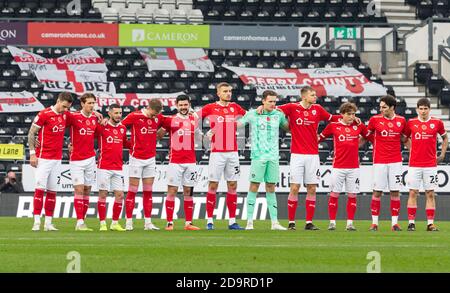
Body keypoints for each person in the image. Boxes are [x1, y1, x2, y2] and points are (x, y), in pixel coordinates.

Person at [275, 86, 341, 230]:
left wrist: (348, 117)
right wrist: (262, 109)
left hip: (312, 155)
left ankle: (308, 222)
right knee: (295, 187)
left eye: (315, 94)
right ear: (304, 96)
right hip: (297, 155)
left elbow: (331, 118)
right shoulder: (292, 107)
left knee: (312, 188)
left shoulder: (317, 109)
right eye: (312, 95)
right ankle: (291, 222)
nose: (315, 96)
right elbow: (276, 109)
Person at [198, 82, 246, 230]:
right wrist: (201, 134)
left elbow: (249, 117)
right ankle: (210, 221)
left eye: (230, 91)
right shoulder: (210, 107)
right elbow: (193, 118)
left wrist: (241, 123)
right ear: (218, 93)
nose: (228, 93)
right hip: (217, 152)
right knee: (213, 185)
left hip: (232, 152)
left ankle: (232, 221)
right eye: (225, 91)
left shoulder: (235, 107)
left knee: (232, 185)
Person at [237, 90, 288, 230]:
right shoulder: (253, 114)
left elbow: (289, 128)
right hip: (258, 157)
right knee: (254, 186)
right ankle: (249, 222)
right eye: (270, 101)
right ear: (263, 101)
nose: (273, 104)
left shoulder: (278, 115)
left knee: (271, 187)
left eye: (274, 101)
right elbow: (238, 124)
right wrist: (218, 128)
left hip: (273, 157)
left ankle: (274, 223)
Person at [319, 102, 369, 231]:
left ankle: (350, 223)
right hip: (338, 166)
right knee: (334, 194)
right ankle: (332, 222)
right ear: (342, 114)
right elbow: (319, 139)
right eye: (349, 114)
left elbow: (370, 137)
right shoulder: (333, 126)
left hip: (354, 167)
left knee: (352, 195)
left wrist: (361, 128)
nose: (351, 116)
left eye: (353, 114)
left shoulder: (358, 126)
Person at [28, 92, 73, 231]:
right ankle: (36, 222)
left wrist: (95, 113)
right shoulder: (44, 114)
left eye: (67, 108)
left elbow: (81, 117)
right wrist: (32, 154)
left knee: (53, 191)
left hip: (57, 159)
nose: (65, 110)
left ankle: (48, 223)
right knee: (40, 189)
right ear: (58, 101)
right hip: (43, 158)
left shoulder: (65, 115)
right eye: (64, 106)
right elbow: (31, 133)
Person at [403, 98, 448, 231]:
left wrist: (442, 154)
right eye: (421, 109)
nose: (423, 111)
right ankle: (411, 223)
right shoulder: (411, 122)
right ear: (417, 109)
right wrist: (412, 149)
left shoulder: (436, 122)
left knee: (430, 193)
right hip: (414, 164)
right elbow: (404, 138)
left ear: (429, 109)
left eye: (425, 109)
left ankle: (430, 223)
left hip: (430, 165)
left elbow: (445, 137)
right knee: (413, 192)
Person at [158, 95, 202, 231]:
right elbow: (159, 135)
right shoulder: (171, 120)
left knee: (188, 191)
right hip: (175, 161)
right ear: (176, 105)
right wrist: (162, 128)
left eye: (186, 105)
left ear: (189, 105)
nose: (183, 107)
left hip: (190, 161)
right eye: (181, 105)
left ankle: (188, 223)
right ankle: (169, 223)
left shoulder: (194, 119)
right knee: (172, 191)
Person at [365, 95, 409, 231]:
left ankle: (394, 224)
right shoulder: (374, 120)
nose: (381, 109)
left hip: (396, 161)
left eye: (384, 107)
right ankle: (374, 224)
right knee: (377, 191)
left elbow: (405, 139)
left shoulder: (401, 120)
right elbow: (365, 135)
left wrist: (414, 151)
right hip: (379, 161)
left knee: (395, 192)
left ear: (392, 107)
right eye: (380, 107)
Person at [121, 99, 164, 231]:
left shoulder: (158, 117)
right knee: (132, 191)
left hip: (150, 159)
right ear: (149, 108)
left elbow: (171, 122)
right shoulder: (135, 116)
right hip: (136, 159)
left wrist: (162, 131)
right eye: (153, 114)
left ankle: (148, 223)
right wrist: (128, 145)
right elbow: (119, 128)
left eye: (157, 115)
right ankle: (128, 223)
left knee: (148, 192)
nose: (154, 117)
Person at [66, 93, 98, 231]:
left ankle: (83, 221)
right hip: (76, 160)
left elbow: (97, 135)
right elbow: (61, 125)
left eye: (93, 103)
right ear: (82, 104)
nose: (92, 106)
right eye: (89, 103)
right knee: (79, 189)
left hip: (90, 159)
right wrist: (68, 143)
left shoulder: (96, 118)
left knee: (87, 190)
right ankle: (79, 222)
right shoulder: (74, 117)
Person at [96, 103, 129, 232]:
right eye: (116, 113)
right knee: (103, 194)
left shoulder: (122, 128)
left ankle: (115, 223)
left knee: (120, 195)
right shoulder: (102, 127)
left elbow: (125, 143)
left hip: (118, 167)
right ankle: (103, 223)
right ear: (109, 113)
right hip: (104, 166)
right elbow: (87, 137)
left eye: (120, 113)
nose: (119, 115)